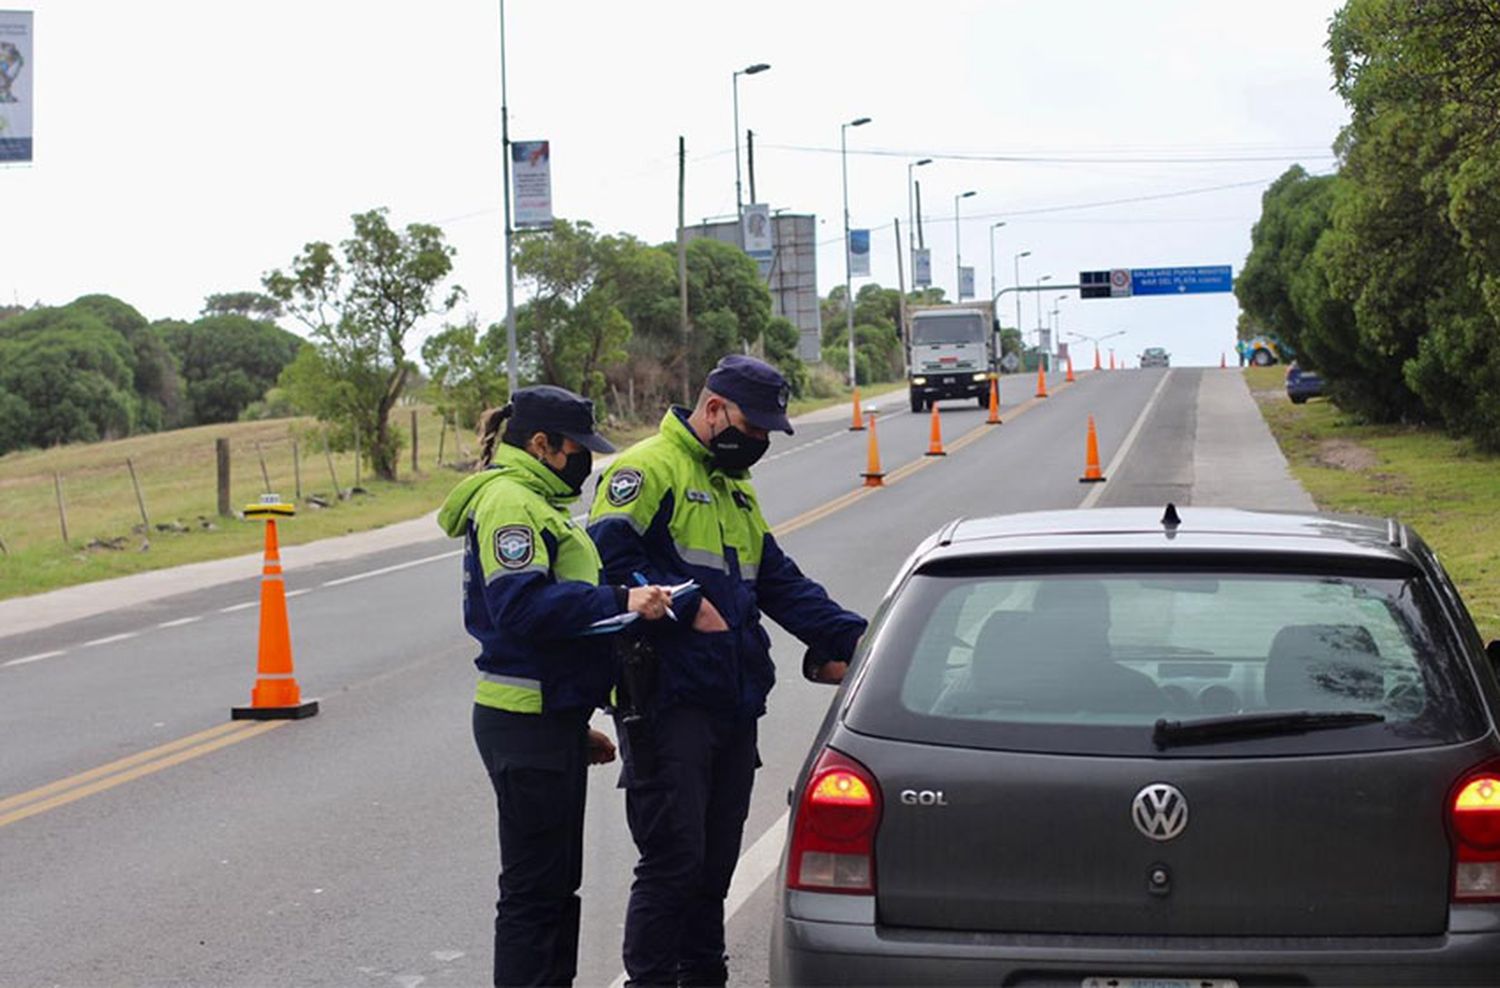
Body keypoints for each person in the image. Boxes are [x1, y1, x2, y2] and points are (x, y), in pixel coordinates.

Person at [587, 355, 868, 987]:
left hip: (731, 701)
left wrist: (861, 640)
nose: (761, 441)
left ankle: (704, 978)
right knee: (673, 863)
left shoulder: (732, 484)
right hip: (666, 701)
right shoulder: (645, 470)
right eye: (753, 426)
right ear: (713, 409)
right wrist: (684, 606)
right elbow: (604, 568)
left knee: (714, 869)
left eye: (769, 432)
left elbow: (780, 582)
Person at [438, 384, 673, 988]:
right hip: (524, 719)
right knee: (534, 894)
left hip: (545, 719)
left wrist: (571, 723)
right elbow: (521, 606)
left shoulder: (535, 499)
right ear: (540, 443)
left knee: (553, 889)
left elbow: (549, 627)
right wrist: (620, 599)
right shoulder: (510, 503)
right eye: (576, 448)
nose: (584, 461)